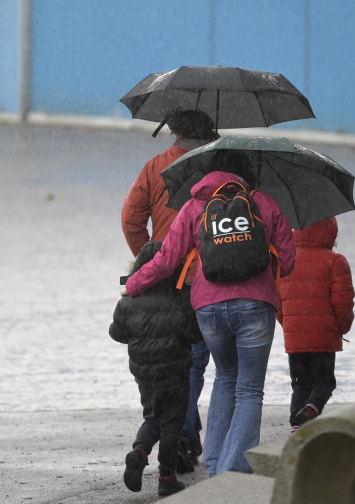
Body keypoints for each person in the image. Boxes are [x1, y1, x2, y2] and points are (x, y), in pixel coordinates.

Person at [121, 154, 295, 477]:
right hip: (256, 306)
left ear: (208, 174)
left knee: (225, 377)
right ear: (244, 176)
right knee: (249, 389)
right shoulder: (262, 203)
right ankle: (231, 473)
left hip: (208, 309)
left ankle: (214, 469)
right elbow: (289, 257)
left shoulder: (194, 206)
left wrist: (133, 285)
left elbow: (166, 260)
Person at [121, 108, 218, 470]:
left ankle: (179, 439)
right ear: (209, 130)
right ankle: (184, 440)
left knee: (173, 363)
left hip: (165, 278)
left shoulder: (155, 167)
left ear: (174, 130)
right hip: (210, 279)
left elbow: (131, 220)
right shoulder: (219, 170)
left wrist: (150, 257)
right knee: (196, 363)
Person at [109, 241, 202, 497]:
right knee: (172, 423)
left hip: (145, 374)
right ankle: (166, 477)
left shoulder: (128, 301)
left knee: (152, 419)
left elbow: (116, 333)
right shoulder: (181, 297)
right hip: (175, 372)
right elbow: (195, 335)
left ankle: (139, 451)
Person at [276, 217, 355, 432]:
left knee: (300, 383)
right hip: (324, 338)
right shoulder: (336, 262)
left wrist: (289, 325)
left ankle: (296, 424)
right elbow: (343, 302)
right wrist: (341, 328)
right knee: (325, 382)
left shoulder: (285, 260)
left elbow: (277, 301)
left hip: (296, 336)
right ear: (330, 233)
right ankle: (311, 410)